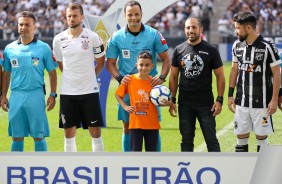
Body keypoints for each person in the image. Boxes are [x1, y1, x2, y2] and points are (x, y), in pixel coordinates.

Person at [106, 0, 171, 152]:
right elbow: (110, 63)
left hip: (150, 89)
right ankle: (128, 162)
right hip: (128, 89)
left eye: (136, 14)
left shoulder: (153, 34)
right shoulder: (116, 37)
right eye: (130, 14)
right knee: (127, 126)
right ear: (125, 16)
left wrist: (161, 77)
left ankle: (155, 161)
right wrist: (120, 78)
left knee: (152, 125)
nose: (133, 18)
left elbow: (167, 60)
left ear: (141, 14)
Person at [1, 11, 57, 152]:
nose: (23, 27)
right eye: (21, 24)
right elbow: (6, 74)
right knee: (17, 136)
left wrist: (53, 94)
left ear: (34, 27)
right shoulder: (9, 49)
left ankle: (41, 167)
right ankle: (16, 168)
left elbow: (52, 72)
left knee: (38, 136)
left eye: (27, 24)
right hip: (16, 95)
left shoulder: (44, 48)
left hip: (36, 95)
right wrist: (3, 95)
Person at [53, 3, 105, 152]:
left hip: (89, 91)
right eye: (69, 16)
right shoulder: (58, 39)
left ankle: (99, 166)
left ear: (82, 17)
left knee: (95, 131)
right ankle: (71, 165)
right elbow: (61, 64)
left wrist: (89, 77)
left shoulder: (93, 37)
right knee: (68, 132)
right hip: (68, 92)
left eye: (75, 16)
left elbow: (101, 62)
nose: (71, 19)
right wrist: (72, 78)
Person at [169, 17, 225, 152]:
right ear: (184, 30)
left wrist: (219, 100)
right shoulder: (178, 50)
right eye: (188, 28)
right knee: (186, 141)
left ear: (200, 29)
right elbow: (174, 76)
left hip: (206, 104)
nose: (190, 30)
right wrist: (173, 99)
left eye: (194, 27)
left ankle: (218, 169)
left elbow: (220, 76)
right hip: (185, 104)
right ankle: (188, 170)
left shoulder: (211, 50)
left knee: (211, 140)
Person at [228, 12, 281, 152]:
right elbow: (234, 70)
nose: (235, 31)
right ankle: (243, 171)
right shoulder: (237, 45)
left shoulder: (267, 46)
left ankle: (262, 172)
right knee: (240, 137)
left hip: (262, 102)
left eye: (238, 28)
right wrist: (230, 94)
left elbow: (277, 73)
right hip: (241, 101)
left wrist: (275, 99)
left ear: (249, 28)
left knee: (262, 138)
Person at [115, 51, 171, 151]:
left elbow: (162, 101)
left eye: (147, 65)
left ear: (152, 66)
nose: (144, 68)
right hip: (135, 125)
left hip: (152, 124)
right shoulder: (130, 80)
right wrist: (125, 106)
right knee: (135, 154)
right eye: (141, 65)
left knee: (151, 154)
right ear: (137, 65)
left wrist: (168, 103)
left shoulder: (154, 83)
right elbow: (118, 94)